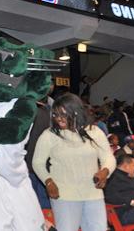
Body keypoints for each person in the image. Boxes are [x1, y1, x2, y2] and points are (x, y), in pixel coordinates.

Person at [32, 93, 115, 231]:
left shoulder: (95, 132)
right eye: (56, 114)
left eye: (63, 114)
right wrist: (48, 181)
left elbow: (108, 157)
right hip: (64, 195)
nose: (58, 118)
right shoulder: (49, 135)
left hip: (93, 193)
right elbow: (37, 163)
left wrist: (105, 171)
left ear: (75, 111)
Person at [104, 154, 134, 225]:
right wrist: (132, 202)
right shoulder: (113, 178)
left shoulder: (128, 177)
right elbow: (110, 196)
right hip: (124, 213)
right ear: (126, 166)